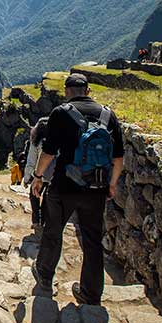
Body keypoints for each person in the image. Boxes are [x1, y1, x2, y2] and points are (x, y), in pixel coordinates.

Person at [30, 73, 124, 306]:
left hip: (64, 186)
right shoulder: (108, 115)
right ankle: (91, 293)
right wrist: (111, 185)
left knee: (53, 231)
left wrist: (38, 177)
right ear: (88, 90)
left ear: (66, 91)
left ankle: (44, 277)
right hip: (96, 187)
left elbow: (49, 152)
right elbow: (119, 158)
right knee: (92, 239)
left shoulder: (61, 113)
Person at [22, 117, 55, 229]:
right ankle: (44, 221)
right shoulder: (56, 140)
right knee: (46, 198)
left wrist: (27, 178)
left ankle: (36, 221)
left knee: (34, 195)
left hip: (38, 174)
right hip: (52, 175)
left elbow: (31, 161)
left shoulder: (36, 141)